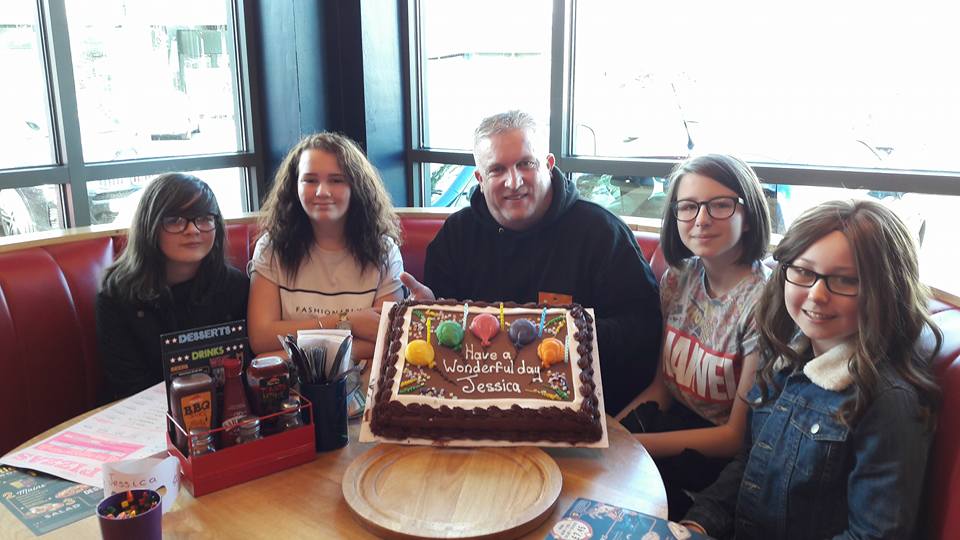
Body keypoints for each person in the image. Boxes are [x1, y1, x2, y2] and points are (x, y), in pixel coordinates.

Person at [681, 200, 941, 539]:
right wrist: (697, 523)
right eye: (804, 272)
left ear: (885, 291)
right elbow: (750, 463)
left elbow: (874, 535)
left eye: (846, 280)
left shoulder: (888, 401)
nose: (817, 295)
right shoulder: (785, 357)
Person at [400, 110, 661, 413]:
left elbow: (643, 331)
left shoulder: (602, 234)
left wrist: (568, 332)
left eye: (526, 163)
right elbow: (442, 349)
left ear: (548, 166)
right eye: (497, 170)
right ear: (480, 179)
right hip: (474, 411)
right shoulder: (456, 236)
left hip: (579, 414)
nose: (514, 181)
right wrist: (429, 315)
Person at [615, 154, 771, 520]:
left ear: (746, 217)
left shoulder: (765, 301)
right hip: (672, 433)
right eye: (688, 207)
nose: (701, 220)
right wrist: (609, 433)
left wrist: (633, 446)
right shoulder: (678, 278)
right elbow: (662, 388)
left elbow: (735, 437)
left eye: (719, 206)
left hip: (723, 465)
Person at [246, 132, 403, 362]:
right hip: (292, 391)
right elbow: (261, 339)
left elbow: (384, 340)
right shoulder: (271, 248)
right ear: (294, 187)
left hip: (361, 387)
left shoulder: (384, 251)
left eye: (336, 180)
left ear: (356, 187)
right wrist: (347, 322)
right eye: (310, 180)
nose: (322, 192)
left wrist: (290, 353)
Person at [96, 173, 249, 401]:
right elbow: (130, 387)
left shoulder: (235, 286)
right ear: (150, 226)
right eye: (176, 220)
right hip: (148, 417)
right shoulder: (117, 296)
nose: (193, 230)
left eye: (205, 218)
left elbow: (248, 370)